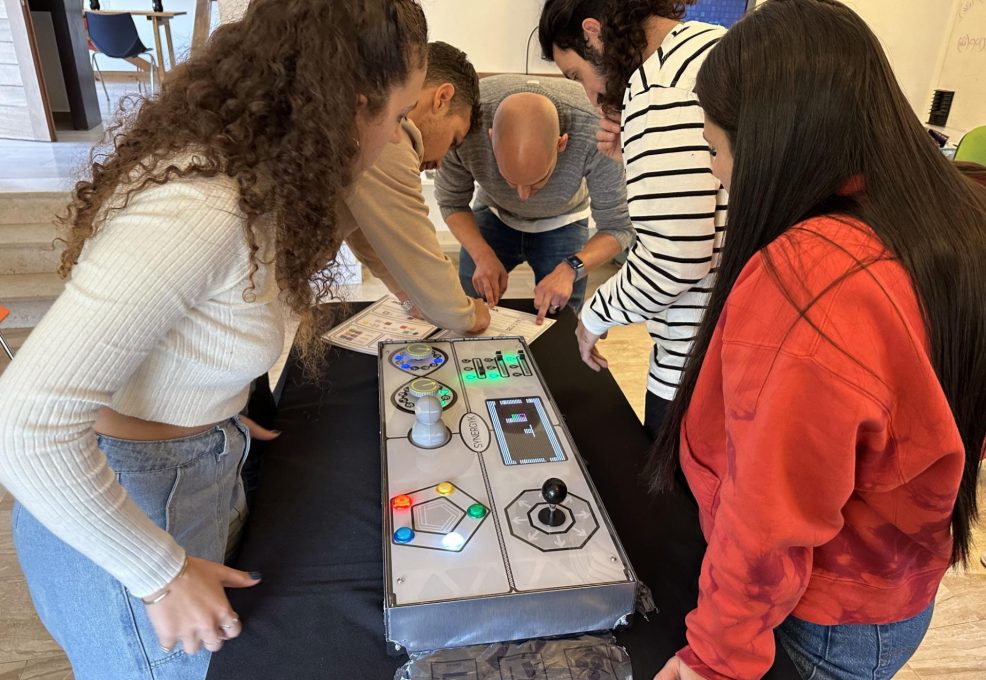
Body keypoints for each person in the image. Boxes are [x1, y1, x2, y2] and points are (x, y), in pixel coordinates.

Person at [0, 1, 428, 678]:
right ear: (349, 107)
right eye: (400, 118)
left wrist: (213, 399)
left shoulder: (247, 176)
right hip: (131, 505)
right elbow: (22, 424)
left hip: (182, 466)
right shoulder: (200, 207)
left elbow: (184, 326)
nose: (399, 139)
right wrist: (161, 574)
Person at [646, 1, 986, 679]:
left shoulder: (807, 283)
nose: (718, 174)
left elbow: (768, 514)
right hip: (904, 587)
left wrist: (713, 659)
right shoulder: (964, 208)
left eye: (717, 149)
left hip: (823, 618)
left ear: (770, 142)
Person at [539, 0, 726, 437]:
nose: (589, 95)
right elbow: (708, 206)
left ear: (593, 33)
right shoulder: (711, 47)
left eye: (576, 75)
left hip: (695, 361)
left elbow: (674, 259)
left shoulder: (657, 89)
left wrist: (594, 316)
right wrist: (636, 158)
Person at [434, 73, 634, 323]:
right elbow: (452, 201)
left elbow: (619, 227)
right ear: (490, 137)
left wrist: (572, 267)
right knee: (470, 303)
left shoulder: (599, 131)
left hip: (564, 219)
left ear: (561, 144)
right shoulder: (464, 122)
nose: (523, 196)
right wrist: (481, 253)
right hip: (493, 212)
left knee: (560, 316)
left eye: (538, 181)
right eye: (510, 179)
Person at [340, 41, 490, 334]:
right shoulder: (386, 139)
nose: (443, 162)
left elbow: (363, 230)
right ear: (442, 98)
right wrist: (470, 315)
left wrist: (407, 296)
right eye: (454, 140)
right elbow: (418, 252)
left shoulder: (362, 118)